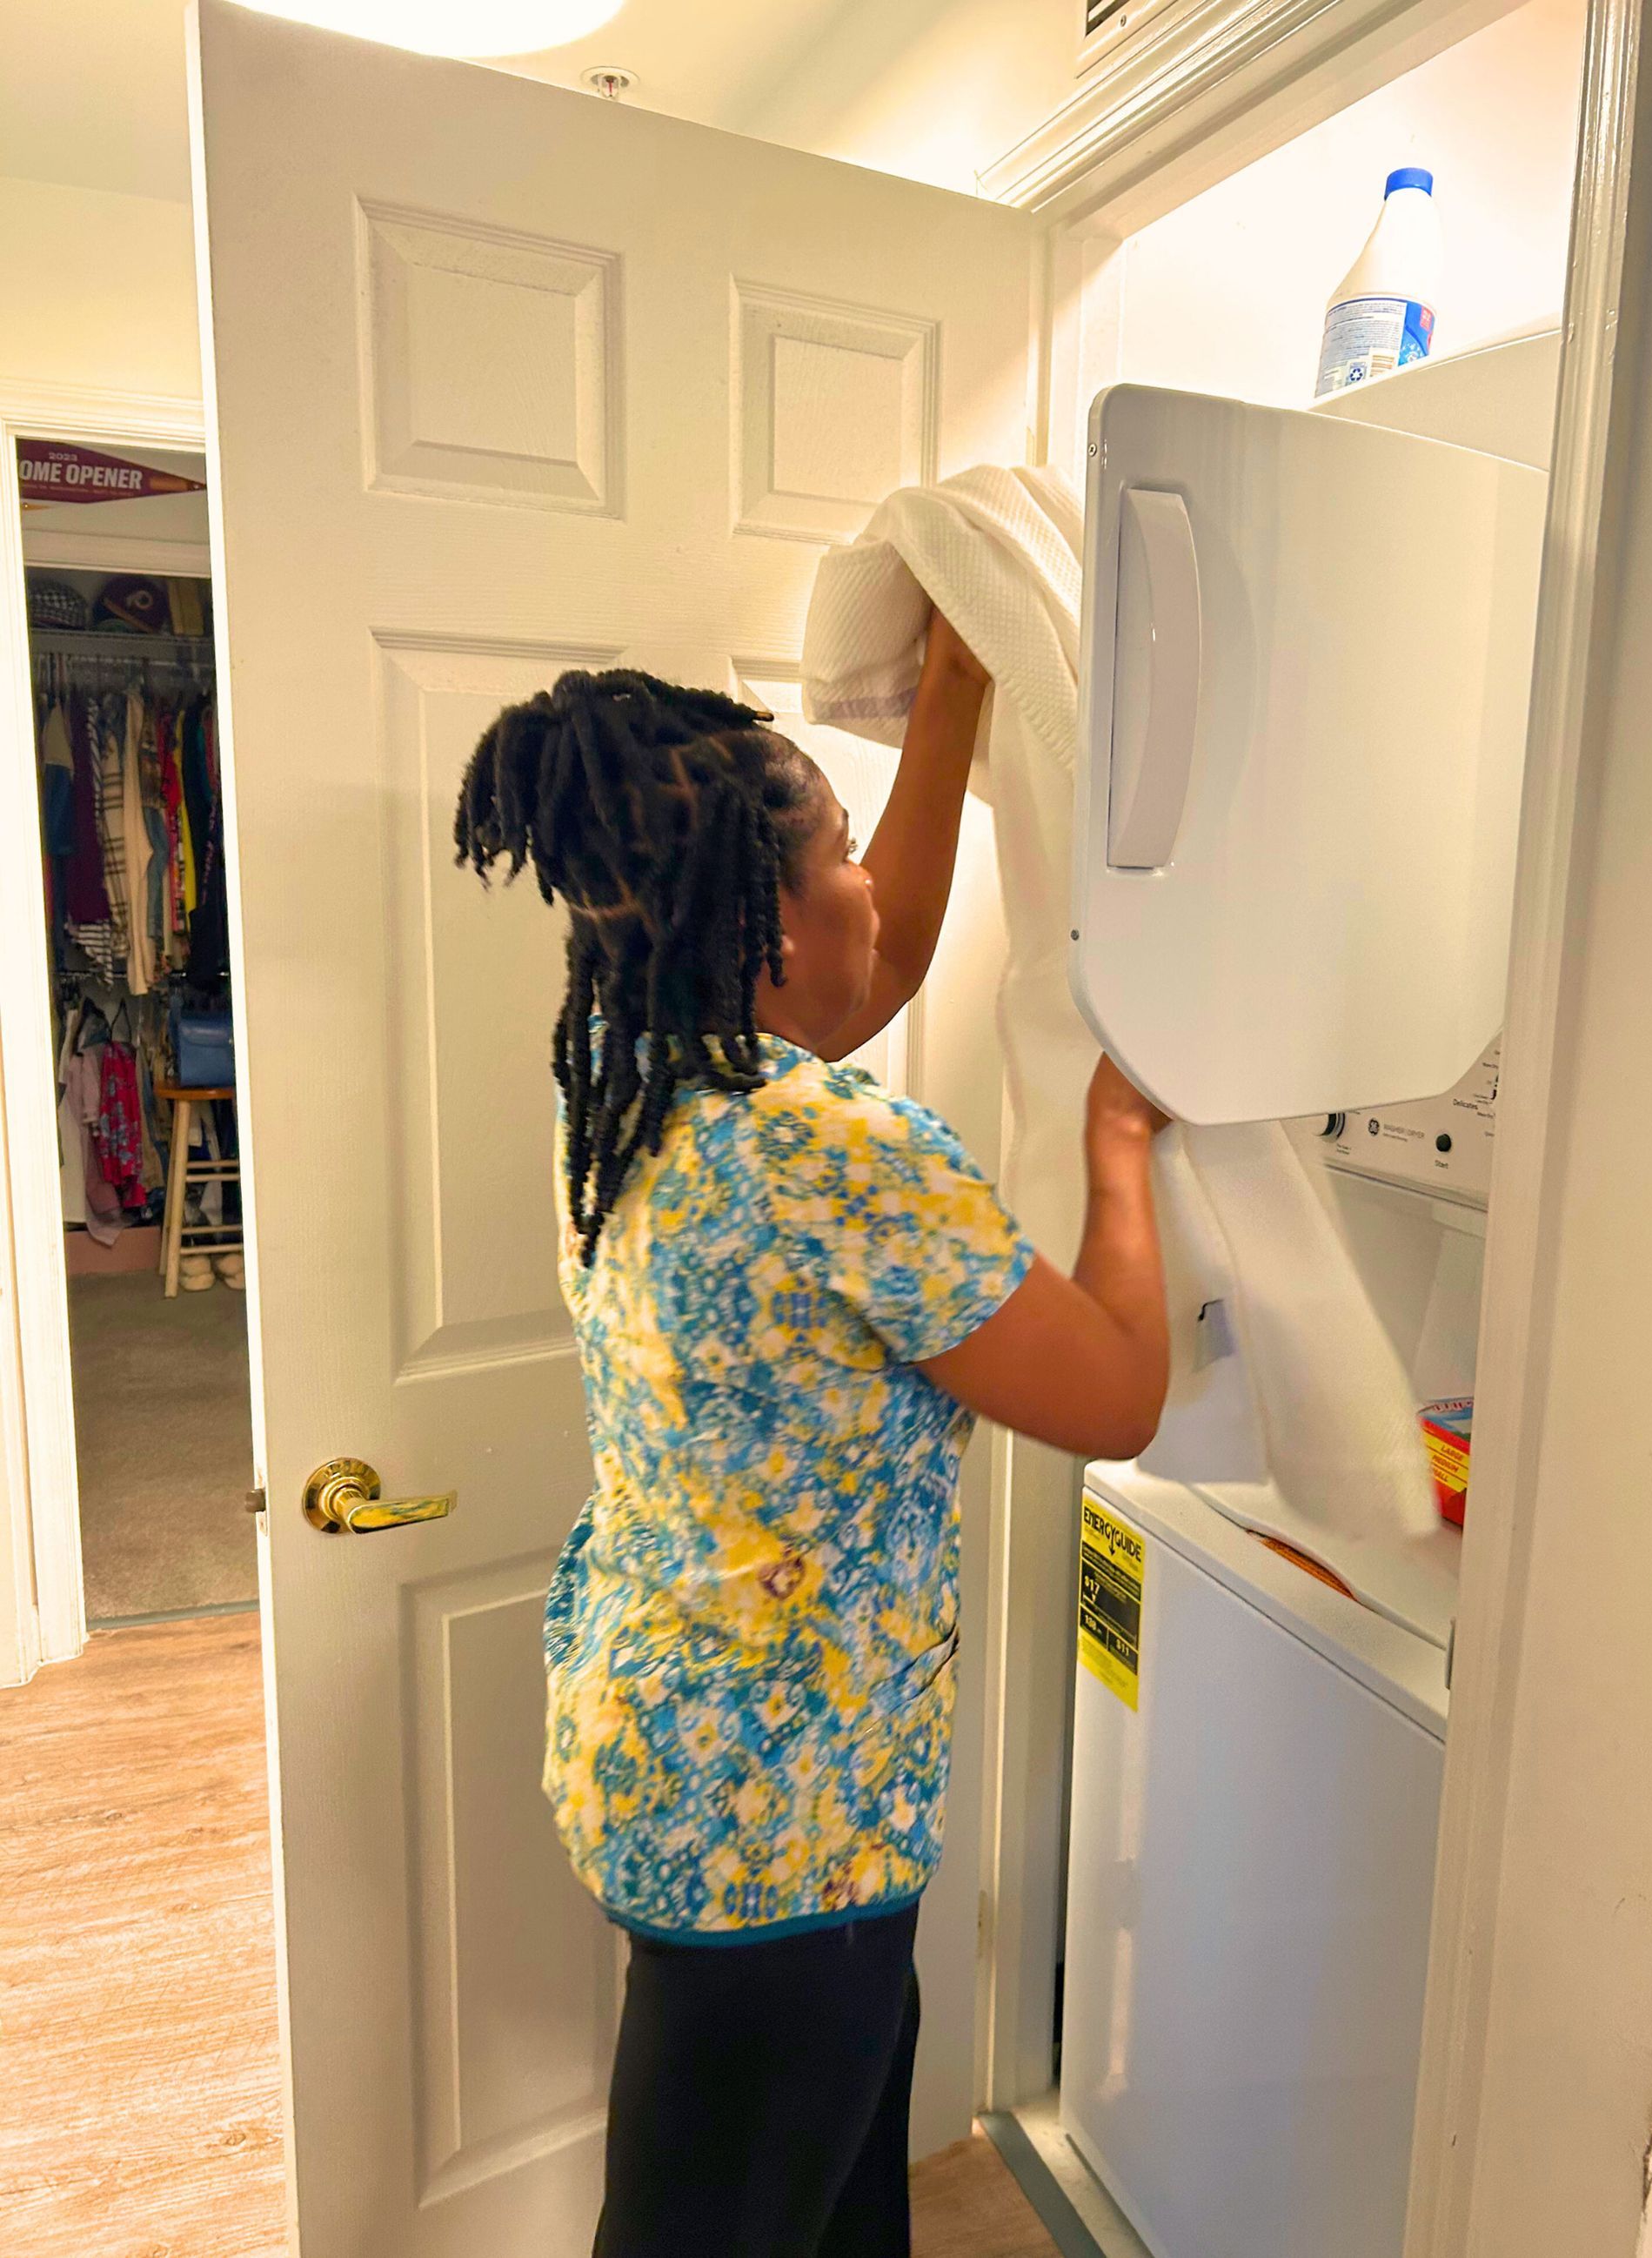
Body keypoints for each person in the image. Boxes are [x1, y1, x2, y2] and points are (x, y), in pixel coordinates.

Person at [453, 613, 1169, 2258]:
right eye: (839, 850)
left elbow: (885, 953)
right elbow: (1118, 1392)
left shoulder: (637, 1071)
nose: (867, 881)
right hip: (787, 1815)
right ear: (767, 926)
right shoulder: (833, 1148)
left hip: (681, 1752)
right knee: (718, 2227)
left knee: (825, 2201)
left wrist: (961, 689)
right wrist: (1119, 1142)